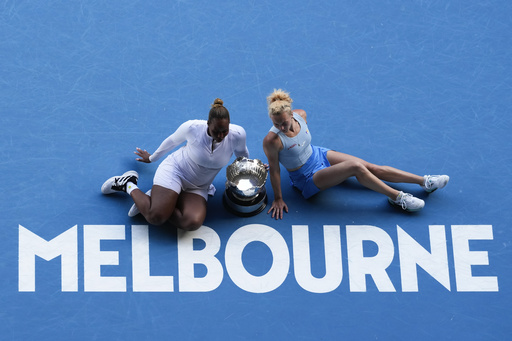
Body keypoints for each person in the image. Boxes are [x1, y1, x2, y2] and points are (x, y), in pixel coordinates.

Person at [262, 89, 449, 219]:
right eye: (276, 124)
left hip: (319, 155)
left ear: (291, 114)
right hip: (306, 178)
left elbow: (302, 142)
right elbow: (275, 171)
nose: (281, 127)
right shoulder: (272, 140)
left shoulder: (301, 115)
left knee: (372, 167)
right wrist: (278, 198)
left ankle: (424, 182)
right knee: (355, 167)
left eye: (284, 122)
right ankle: (397, 198)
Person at [101, 98, 249, 230]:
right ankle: (128, 184)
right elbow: (171, 141)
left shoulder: (237, 135)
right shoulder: (193, 128)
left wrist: (250, 168)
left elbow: (242, 156)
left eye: (225, 131)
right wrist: (151, 158)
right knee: (156, 217)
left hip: (199, 186)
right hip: (176, 172)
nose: (221, 136)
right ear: (208, 124)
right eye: (217, 131)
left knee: (192, 222)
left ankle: (156, 199)